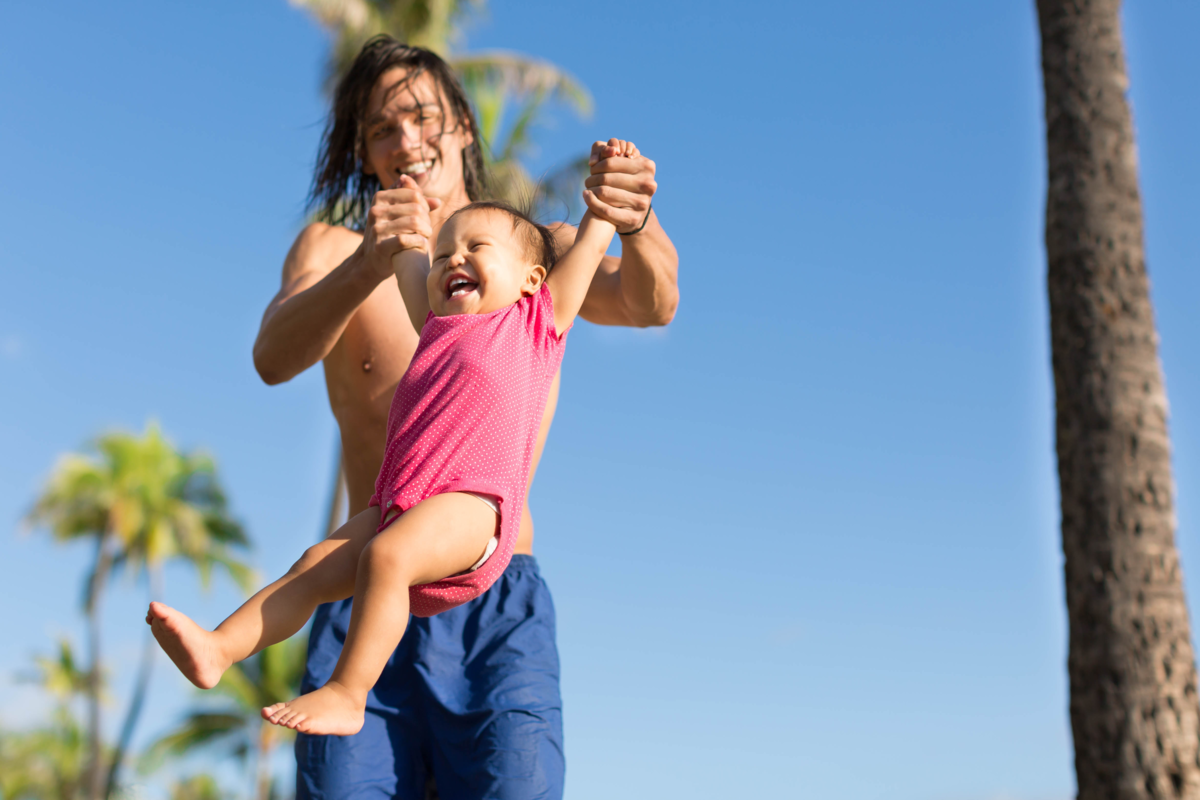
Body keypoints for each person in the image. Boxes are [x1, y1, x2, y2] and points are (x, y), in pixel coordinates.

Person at [251, 36, 678, 800]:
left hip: (493, 594)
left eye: (422, 118)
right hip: (364, 586)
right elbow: (273, 358)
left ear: (464, 130)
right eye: (383, 128)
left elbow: (652, 304)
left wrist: (634, 221)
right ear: (364, 153)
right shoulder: (334, 247)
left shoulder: (532, 256)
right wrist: (367, 265)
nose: (407, 141)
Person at [147, 162, 628, 737]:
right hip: (401, 502)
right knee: (313, 566)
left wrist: (606, 193)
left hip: (475, 509)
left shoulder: (536, 322)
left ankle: (350, 694)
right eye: (445, 250)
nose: (454, 258)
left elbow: (595, 233)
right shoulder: (432, 323)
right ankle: (220, 647)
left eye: (477, 246)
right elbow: (410, 252)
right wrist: (410, 215)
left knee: (386, 557)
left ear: (531, 277)